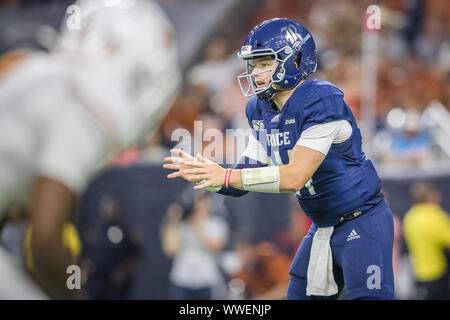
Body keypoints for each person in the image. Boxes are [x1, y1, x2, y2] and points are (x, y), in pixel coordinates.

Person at [164, 18, 395, 300]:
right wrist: (207, 176)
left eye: (264, 63)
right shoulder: (261, 109)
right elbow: (240, 179)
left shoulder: (319, 99)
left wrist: (225, 176)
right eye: (253, 64)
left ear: (294, 60)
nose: (255, 72)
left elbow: (294, 176)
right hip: (322, 226)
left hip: (361, 221)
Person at [0, 0, 180, 299]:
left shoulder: (30, 66)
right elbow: (45, 241)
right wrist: (75, 293)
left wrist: (68, 280)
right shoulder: (94, 106)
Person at [161, 188, 228, 300]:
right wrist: (174, 220)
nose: (202, 204)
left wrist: (197, 225)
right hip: (182, 279)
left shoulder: (216, 223)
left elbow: (215, 247)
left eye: (205, 200)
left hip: (206, 279)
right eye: (198, 201)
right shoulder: (181, 225)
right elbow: (170, 250)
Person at [402, 181, 450, 299]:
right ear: (430, 196)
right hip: (436, 273)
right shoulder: (435, 215)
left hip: (418, 273)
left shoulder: (410, 216)